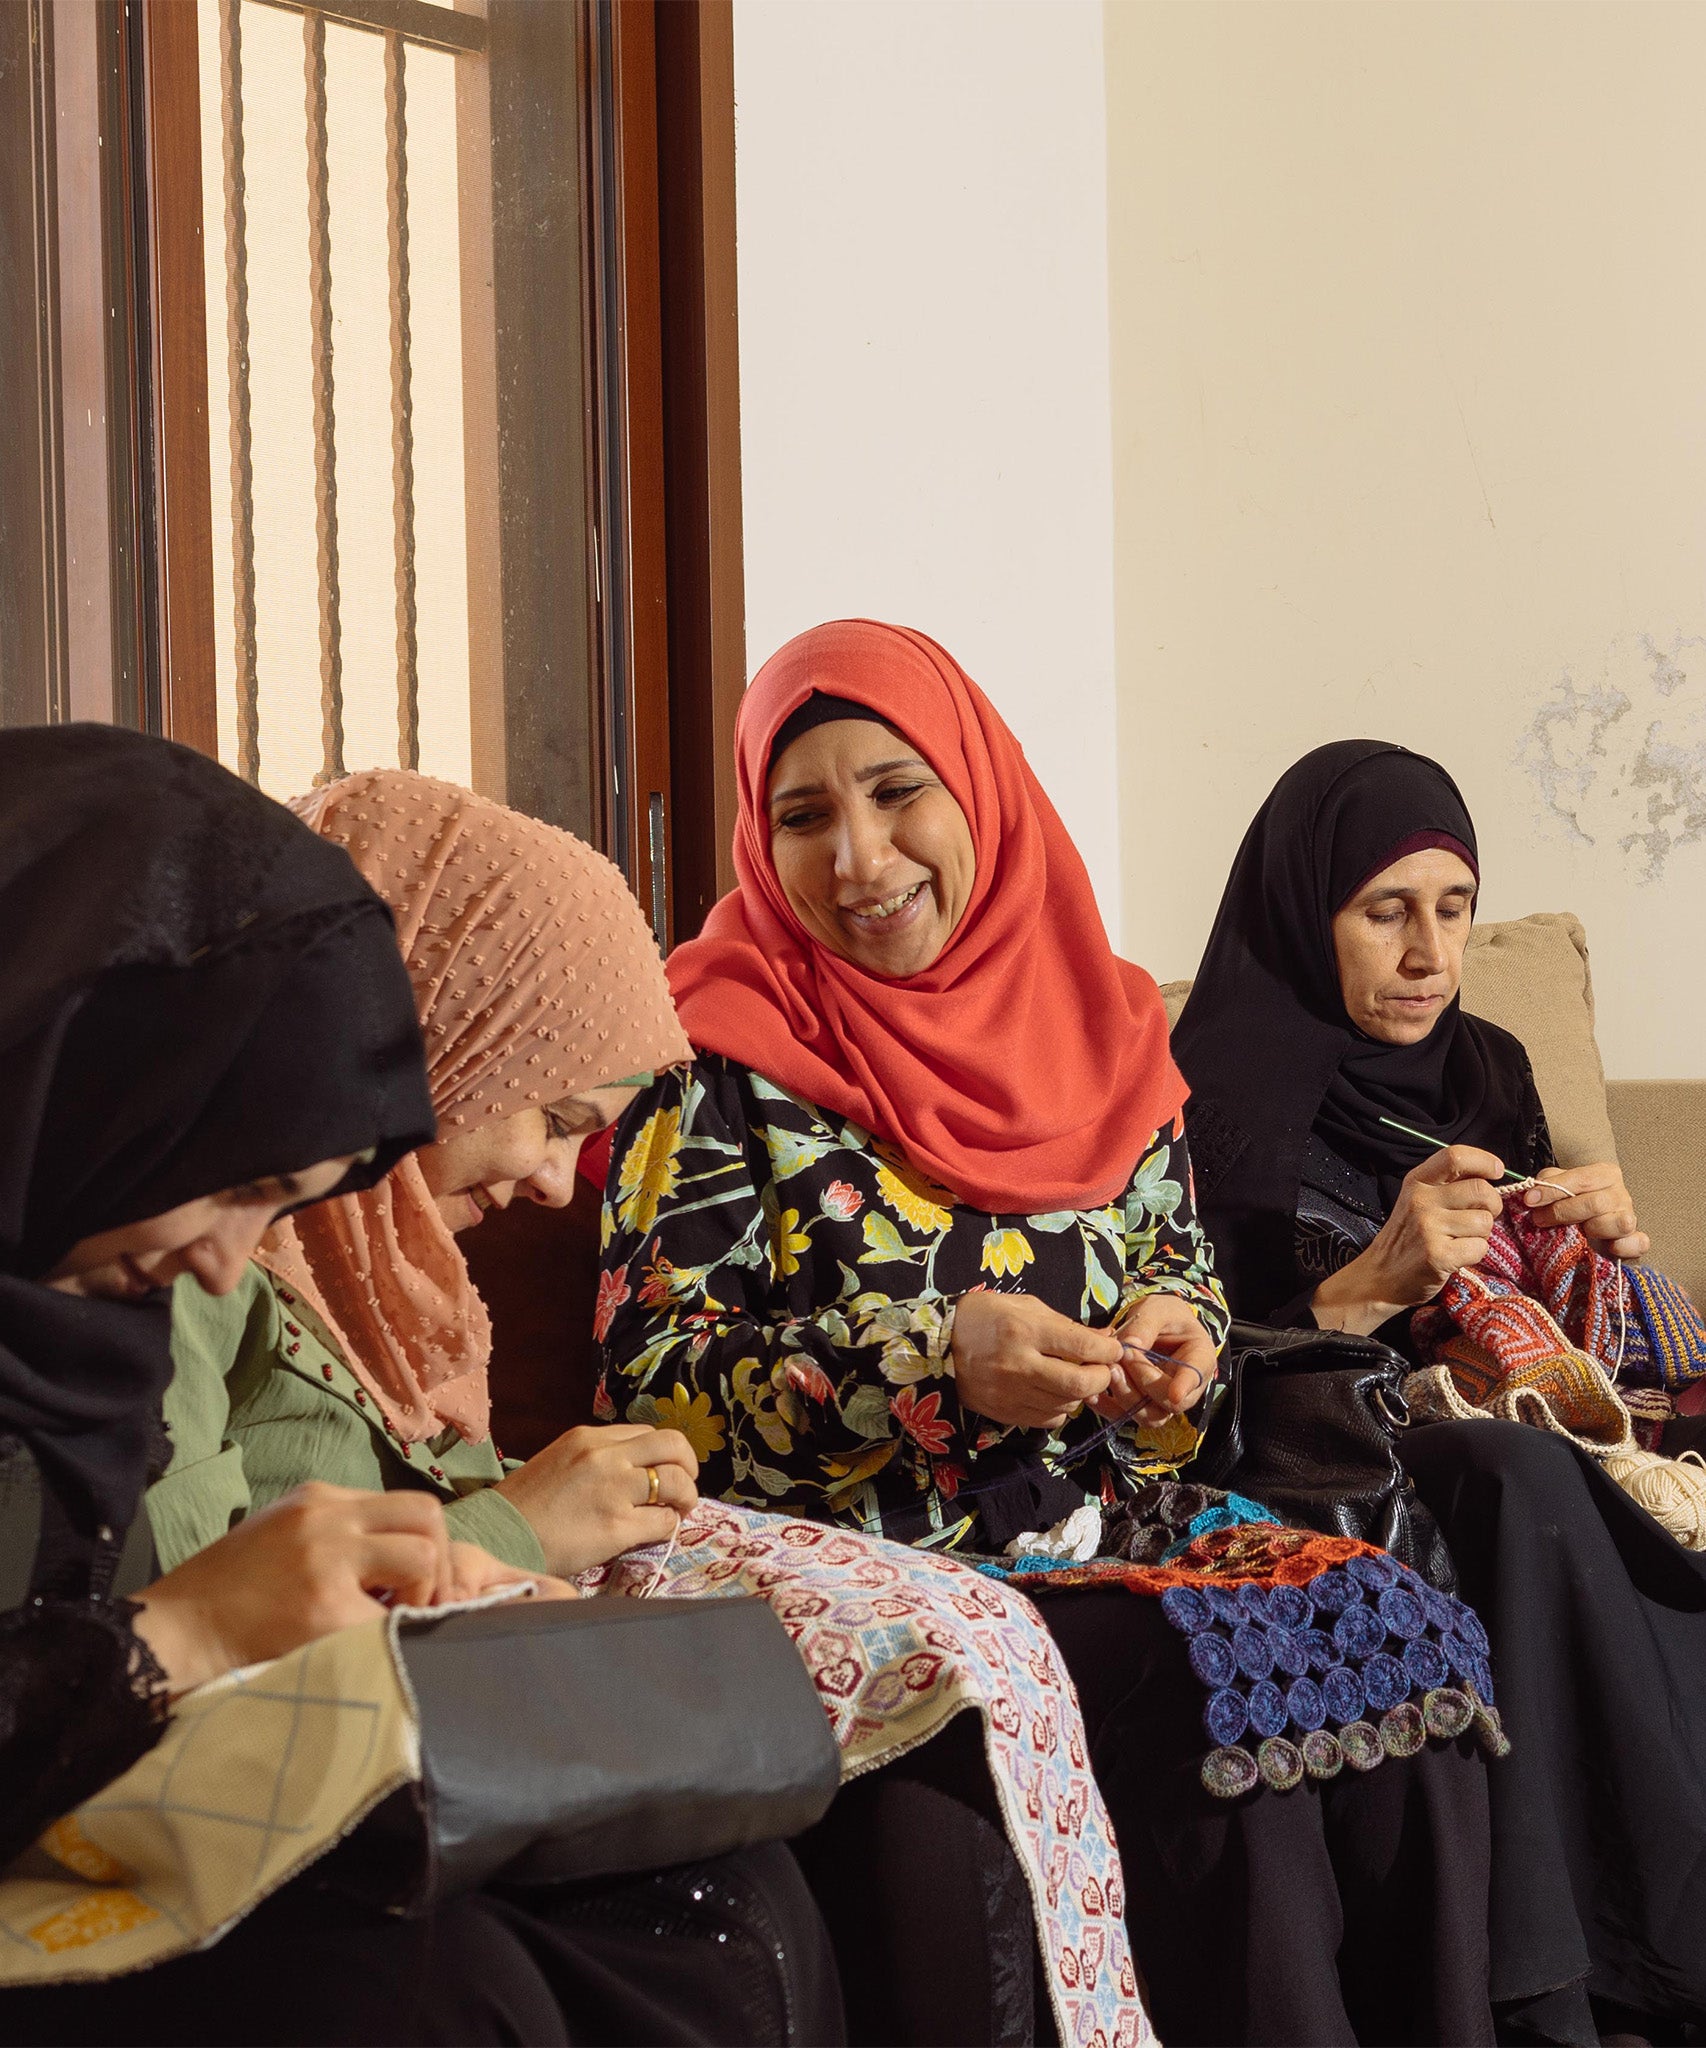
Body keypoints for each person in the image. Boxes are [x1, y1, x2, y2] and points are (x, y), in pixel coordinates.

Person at [598, 621, 1497, 2047]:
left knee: (1403, 1640)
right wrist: (924, 1366)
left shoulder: (1110, 1038)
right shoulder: (713, 1078)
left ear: (979, 790)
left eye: (898, 793)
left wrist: (1175, 1347)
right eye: (803, 816)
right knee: (1230, 1720)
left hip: (1112, 1538)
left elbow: (1184, 1289)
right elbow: (649, 1387)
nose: (858, 859)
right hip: (884, 1595)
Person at [157, 766, 1145, 2048]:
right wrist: (920, 1361)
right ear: (439, 1026)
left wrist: (1165, 1364)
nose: (558, 1183)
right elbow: (189, 1623)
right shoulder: (192, 1250)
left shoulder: (388, 1267)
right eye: (555, 1116)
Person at [0, 726, 842, 2048]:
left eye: (276, 1199)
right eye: (553, 1115)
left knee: (729, 1901)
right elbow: (174, 1610)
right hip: (140, 1808)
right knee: (445, 1989)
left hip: (177, 1787)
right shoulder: (132, 1286)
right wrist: (197, 1631)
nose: (227, 1265)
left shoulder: (172, 1300)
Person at [1173, 737, 1706, 2046]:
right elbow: (1195, 1386)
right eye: (1383, 912)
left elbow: (1537, 1327)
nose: (1427, 955)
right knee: (1517, 1477)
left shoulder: (1487, 1070)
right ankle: (1597, 1973)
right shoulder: (1209, 1097)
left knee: (1568, 1457)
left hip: (1507, 1426)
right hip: (1325, 1448)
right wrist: (1372, 1278)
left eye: (1452, 909)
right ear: (1308, 912)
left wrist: (1600, 1255)